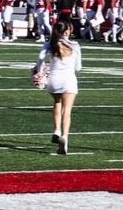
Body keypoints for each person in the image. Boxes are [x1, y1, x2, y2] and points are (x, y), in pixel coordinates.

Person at [34, 20, 81, 154]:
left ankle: (57, 130)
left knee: (57, 102)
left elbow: (40, 59)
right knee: (67, 111)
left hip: (53, 79)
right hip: (69, 80)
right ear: (67, 31)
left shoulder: (50, 44)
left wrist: (39, 71)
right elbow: (78, 67)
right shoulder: (75, 45)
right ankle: (64, 136)